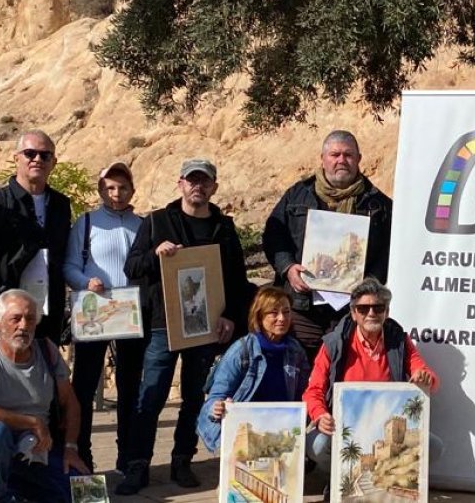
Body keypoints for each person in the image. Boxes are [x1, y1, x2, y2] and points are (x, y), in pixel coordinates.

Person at [117, 158, 254, 494]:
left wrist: (231, 316)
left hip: (207, 326)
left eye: (205, 181)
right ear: (180, 183)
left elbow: (238, 281)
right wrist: (155, 253)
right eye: (192, 180)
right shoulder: (157, 222)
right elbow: (131, 267)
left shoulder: (224, 227)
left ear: (214, 187)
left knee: (194, 397)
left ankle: (182, 460)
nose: (198, 186)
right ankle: (138, 466)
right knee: (150, 397)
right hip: (165, 325)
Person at [263, 130, 393, 359]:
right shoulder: (297, 196)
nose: (341, 160)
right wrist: (288, 268)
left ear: (359, 159)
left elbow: (390, 252)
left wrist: (369, 283)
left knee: (343, 366)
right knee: (299, 370)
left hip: (351, 308)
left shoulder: (379, 205)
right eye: (335, 155)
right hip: (302, 306)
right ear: (323, 158)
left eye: (348, 155)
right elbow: (274, 236)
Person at [0, 290, 90, 503]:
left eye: (30, 319)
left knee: (87, 493)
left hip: (35, 449)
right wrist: (33, 422)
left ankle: (17, 486)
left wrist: (71, 448)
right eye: (15, 319)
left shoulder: (47, 351)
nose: (23, 326)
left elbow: (71, 403)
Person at [302, 278, 439, 473]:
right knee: (317, 445)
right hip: (343, 425)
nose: (371, 313)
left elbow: (428, 377)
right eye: (363, 309)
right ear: (353, 313)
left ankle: (382, 483)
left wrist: (424, 377)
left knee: (434, 448)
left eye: (378, 307)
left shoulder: (399, 340)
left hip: (385, 426)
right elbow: (313, 390)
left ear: (387, 312)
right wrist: (320, 415)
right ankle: (339, 482)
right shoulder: (334, 344)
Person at [62, 161, 144, 473]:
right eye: (110, 187)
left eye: (123, 187)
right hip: (94, 311)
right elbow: (69, 266)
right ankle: (81, 454)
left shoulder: (142, 224)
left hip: (130, 314)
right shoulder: (85, 224)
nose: (117, 193)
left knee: (130, 386)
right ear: (100, 190)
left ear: (132, 190)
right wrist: (86, 283)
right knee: (83, 386)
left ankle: (128, 456)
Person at [0, 130, 72, 342]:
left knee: (45, 374)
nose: (37, 160)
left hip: (48, 313)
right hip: (5, 314)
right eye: (30, 153)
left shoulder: (61, 205)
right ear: (16, 158)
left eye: (45, 155)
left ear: (54, 162)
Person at [198, 286, 311, 453]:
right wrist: (217, 407)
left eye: (286, 312)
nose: (282, 318)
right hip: (244, 430)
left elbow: (305, 394)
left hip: (281, 428)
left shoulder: (296, 351)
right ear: (259, 316)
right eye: (273, 313)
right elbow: (214, 398)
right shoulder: (241, 350)